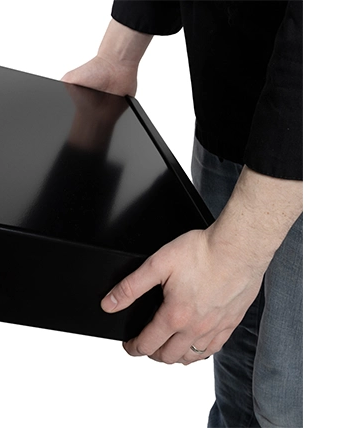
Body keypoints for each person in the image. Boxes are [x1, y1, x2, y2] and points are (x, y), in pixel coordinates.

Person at [62, 1, 303, 427]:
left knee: (288, 406)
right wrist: (119, 54)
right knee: (238, 397)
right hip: (227, 119)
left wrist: (237, 250)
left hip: (307, 149)